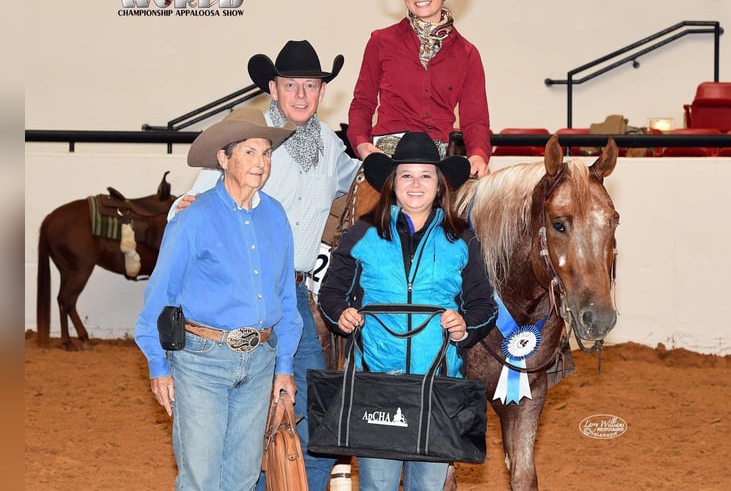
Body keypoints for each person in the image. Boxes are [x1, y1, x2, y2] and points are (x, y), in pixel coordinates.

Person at [170, 39, 361, 491]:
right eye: (291, 85)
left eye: (310, 85)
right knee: (246, 414)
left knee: (313, 413)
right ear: (273, 88)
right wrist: (186, 209)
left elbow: (362, 183)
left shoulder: (331, 149)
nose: (300, 94)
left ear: (321, 92)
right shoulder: (246, 141)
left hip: (292, 295)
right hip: (236, 295)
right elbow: (188, 203)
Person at [317, 131, 498, 491]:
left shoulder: (462, 238)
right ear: (393, 182)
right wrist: (342, 315)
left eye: (426, 175)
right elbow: (331, 293)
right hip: (377, 384)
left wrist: (464, 326)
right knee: (378, 484)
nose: (416, 184)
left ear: (439, 184)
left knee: (429, 486)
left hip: (437, 383)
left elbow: (482, 305)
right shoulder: (362, 233)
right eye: (407, 175)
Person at [134, 106, 302, 491]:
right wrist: (159, 366)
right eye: (248, 152)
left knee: (244, 476)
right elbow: (160, 296)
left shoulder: (276, 216)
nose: (260, 163)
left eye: (266, 153)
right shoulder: (192, 219)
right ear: (223, 159)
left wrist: (285, 365)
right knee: (201, 477)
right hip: (200, 362)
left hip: (260, 360)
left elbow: (284, 299)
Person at [347, 0, 492, 178]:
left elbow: (475, 119)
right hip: (386, 157)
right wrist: (362, 144)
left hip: (436, 159)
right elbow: (362, 103)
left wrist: (478, 154)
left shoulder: (467, 54)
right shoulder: (380, 42)